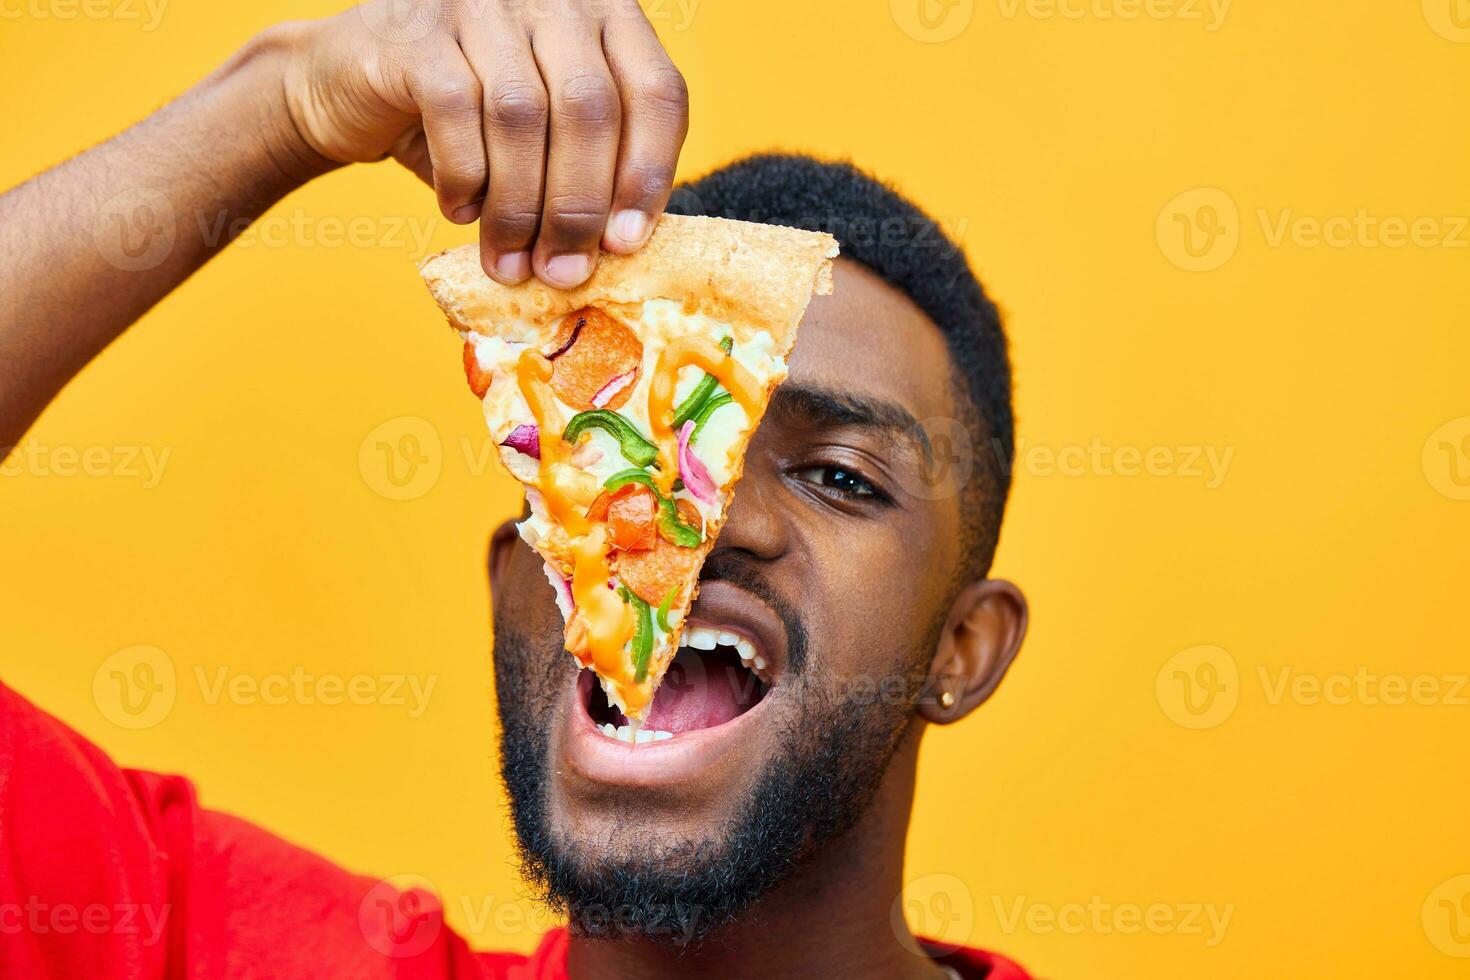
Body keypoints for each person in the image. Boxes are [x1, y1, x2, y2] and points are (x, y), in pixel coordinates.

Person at [0, 2, 1031, 977]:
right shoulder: (209, 942)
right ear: (514, 588)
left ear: (962, 649)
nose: (697, 508)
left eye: (839, 475)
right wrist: (284, 104)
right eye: (624, 436)